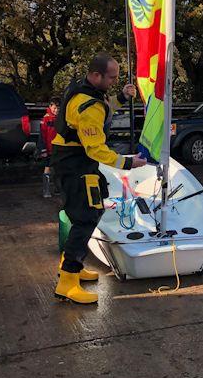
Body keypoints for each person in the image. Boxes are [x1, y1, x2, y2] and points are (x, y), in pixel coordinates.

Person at [51, 53, 146, 304]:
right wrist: (128, 162)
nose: (115, 81)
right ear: (96, 75)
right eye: (112, 77)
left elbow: (104, 108)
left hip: (76, 163)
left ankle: (70, 264)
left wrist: (123, 97)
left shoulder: (87, 90)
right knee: (85, 219)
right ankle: (67, 283)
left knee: (92, 209)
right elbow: (96, 149)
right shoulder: (88, 104)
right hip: (76, 165)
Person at [39, 97, 60, 198]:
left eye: (58, 108)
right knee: (47, 168)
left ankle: (58, 189)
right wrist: (43, 149)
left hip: (58, 148)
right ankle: (46, 190)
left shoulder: (60, 118)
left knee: (58, 169)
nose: (56, 110)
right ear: (50, 107)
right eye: (55, 108)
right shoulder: (46, 119)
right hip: (48, 148)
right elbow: (42, 135)